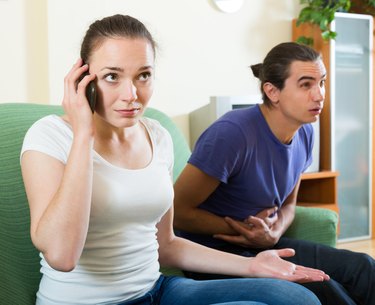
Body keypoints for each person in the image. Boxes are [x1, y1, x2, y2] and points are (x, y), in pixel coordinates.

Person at [19, 15, 328, 305]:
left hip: (157, 289)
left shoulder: (157, 135)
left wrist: (253, 265)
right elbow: (62, 256)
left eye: (143, 76)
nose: (131, 94)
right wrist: (83, 134)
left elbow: (166, 246)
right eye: (112, 76)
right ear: (83, 79)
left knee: (296, 298)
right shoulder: (50, 136)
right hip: (86, 300)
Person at [173, 41, 375, 305]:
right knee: (325, 288)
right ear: (272, 91)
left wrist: (274, 232)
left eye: (322, 82)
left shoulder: (305, 131)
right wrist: (246, 230)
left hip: (264, 244)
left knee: (364, 266)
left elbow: (289, 203)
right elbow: (176, 212)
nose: (319, 95)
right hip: (212, 253)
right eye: (306, 84)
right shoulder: (231, 134)